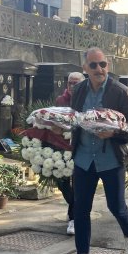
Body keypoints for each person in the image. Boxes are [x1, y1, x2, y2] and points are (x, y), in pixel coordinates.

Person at [60, 47, 128, 254]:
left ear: (108, 66)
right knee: (80, 208)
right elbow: (73, 116)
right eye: (94, 65)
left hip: (110, 158)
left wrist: (114, 131)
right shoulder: (79, 90)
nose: (99, 69)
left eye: (103, 64)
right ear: (85, 68)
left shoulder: (121, 92)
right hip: (84, 158)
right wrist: (63, 124)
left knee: (116, 206)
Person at [55, 72, 85, 235]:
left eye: (75, 83)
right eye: (69, 83)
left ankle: (73, 218)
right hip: (62, 146)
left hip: (80, 148)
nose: (72, 86)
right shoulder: (61, 100)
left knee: (78, 185)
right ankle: (75, 207)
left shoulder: (87, 99)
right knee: (62, 182)